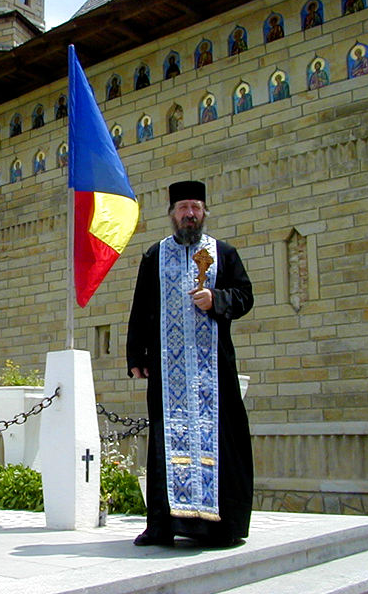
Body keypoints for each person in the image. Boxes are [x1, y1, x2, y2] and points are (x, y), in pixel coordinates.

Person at [126, 180, 254, 548]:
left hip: (213, 370)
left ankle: (221, 527)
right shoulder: (155, 255)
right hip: (168, 372)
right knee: (166, 443)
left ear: (204, 213)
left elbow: (245, 296)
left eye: (196, 208)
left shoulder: (223, 253)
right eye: (183, 208)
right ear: (172, 215)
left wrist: (216, 299)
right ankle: (162, 527)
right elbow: (141, 308)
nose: (189, 214)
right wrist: (136, 355)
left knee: (223, 441)